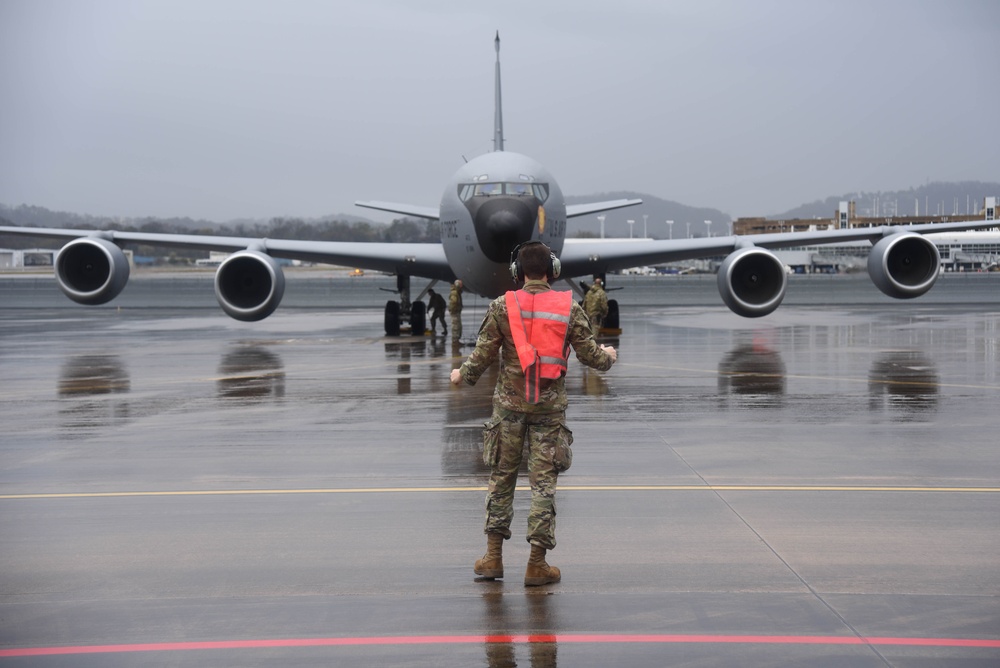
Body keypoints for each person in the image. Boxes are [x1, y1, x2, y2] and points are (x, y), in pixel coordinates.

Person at [450, 241, 617, 586]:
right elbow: (592, 357)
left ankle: (493, 559)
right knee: (543, 486)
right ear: (553, 270)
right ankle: (536, 564)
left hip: (509, 410)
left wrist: (460, 376)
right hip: (548, 411)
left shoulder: (502, 306)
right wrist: (609, 356)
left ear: (518, 272)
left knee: (501, 480)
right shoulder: (567, 307)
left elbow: (481, 355)